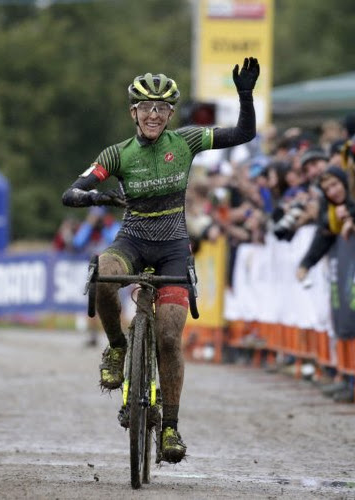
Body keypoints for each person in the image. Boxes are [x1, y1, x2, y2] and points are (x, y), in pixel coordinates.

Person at [61, 58, 260, 463]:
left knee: (169, 337)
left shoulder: (185, 142)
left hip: (172, 247)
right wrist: (92, 195)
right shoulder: (117, 154)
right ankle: (117, 348)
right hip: (131, 240)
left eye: (162, 108)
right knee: (102, 273)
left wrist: (244, 95)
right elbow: (72, 191)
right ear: (133, 112)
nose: (154, 115)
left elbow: (244, 133)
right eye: (146, 107)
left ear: (170, 114)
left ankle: (170, 426)